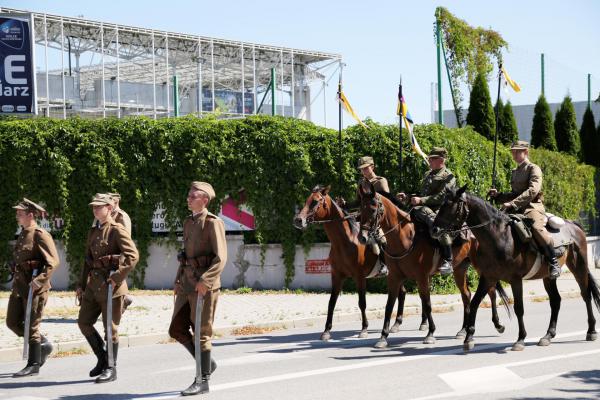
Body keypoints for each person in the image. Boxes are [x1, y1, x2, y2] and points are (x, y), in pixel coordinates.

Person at [169, 182, 227, 396]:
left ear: (204, 199)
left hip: (204, 286)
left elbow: (221, 258)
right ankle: (207, 363)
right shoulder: (188, 222)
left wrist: (206, 281)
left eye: (193, 196)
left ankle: (202, 380)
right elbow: (185, 257)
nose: (188, 198)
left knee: (201, 333)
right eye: (188, 195)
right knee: (176, 328)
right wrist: (177, 280)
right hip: (186, 284)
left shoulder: (212, 223)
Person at [77, 193, 139, 383]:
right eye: (94, 207)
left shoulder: (116, 229)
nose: (95, 210)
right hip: (93, 286)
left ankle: (111, 368)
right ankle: (103, 358)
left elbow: (132, 256)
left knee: (110, 329)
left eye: (99, 206)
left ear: (109, 208)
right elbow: (88, 260)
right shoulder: (93, 231)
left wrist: (117, 277)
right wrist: (80, 284)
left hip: (112, 286)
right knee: (83, 322)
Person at [488, 140, 560, 279]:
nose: (514, 154)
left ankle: (553, 262)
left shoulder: (534, 168)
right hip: (517, 208)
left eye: (517, 152)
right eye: (513, 152)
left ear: (525, 152)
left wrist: (513, 204)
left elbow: (533, 190)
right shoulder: (515, 171)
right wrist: (499, 196)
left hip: (532, 207)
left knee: (536, 228)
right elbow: (515, 193)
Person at [7, 198, 60, 377]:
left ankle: (33, 363)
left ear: (30, 215)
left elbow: (53, 262)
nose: (17, 216)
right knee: (12, 322)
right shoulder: (23, 233)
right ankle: (43, 345)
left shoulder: (40, 234)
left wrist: (40, 280)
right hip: (20, 286)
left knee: (32, 326)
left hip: (35, 287)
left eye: (20, 213)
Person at [397, 147, 456, 275]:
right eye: (429, 158)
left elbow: (442, 196)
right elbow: (422, 193)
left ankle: (448, 260)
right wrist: (408, 197)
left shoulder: (449, 176)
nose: (429, 161)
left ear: (441, 160)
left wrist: (421, 200)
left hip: (440, 209)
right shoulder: (427, 174)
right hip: (421, 208)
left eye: (432, 159)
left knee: (438, 226)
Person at [339, 156, 390, 277]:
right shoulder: (361, 183)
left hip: (378, 217)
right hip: (364, 217)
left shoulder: (380, 181)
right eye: (361, 169)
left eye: (366, 168)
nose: (364, 171)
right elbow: (358, 202)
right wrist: (345, 204)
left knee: (381, 238)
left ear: (372, 167)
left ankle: (385, 265)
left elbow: (387, 201)